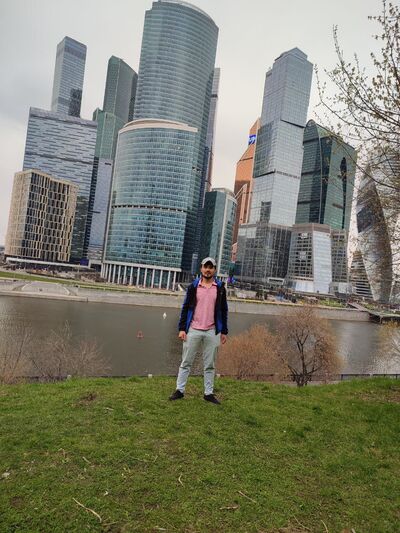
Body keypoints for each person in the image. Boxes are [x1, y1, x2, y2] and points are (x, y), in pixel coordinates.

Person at [169, 257, 228, 404]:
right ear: (201, 268)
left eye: (211, 267)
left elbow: (223, 310)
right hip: (193, 330)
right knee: (186, 362)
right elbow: (185, 308)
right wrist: (182, 328)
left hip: (212, 331)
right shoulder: (193, 287)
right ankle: (179, 390)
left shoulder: (220, 288)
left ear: (214, 270)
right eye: (205, 267)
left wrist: (224, 331)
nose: (208, 270)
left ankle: (208, 393)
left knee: (210, 365)